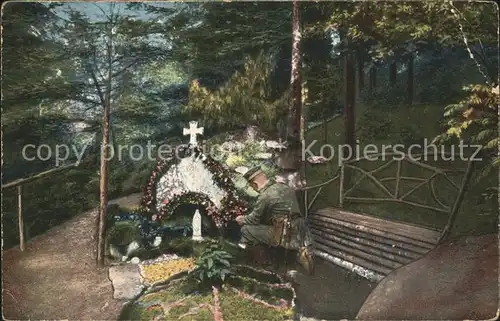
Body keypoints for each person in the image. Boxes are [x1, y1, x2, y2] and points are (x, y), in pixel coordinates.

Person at [234, 165, 314, 275]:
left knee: (246, 230)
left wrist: (242, 219)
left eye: (251, 186)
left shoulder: (265, 196)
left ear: (255, 184)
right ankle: (301, 252)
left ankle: (266, 266)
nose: (253, 189)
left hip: (285, 233)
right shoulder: (285, 187)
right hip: (301, 228)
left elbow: (253, 219)